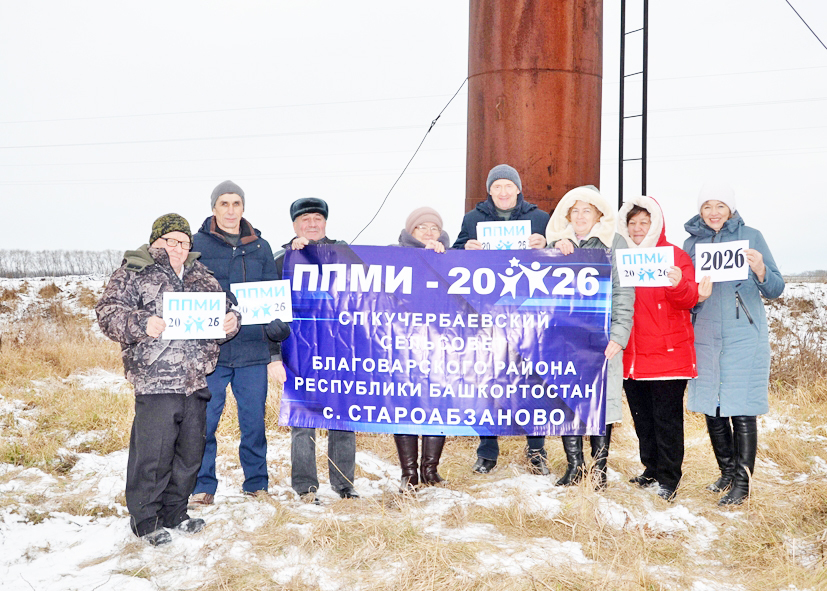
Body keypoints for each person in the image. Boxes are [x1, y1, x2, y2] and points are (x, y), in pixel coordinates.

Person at [96, 214, 240, 545]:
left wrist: (232, 321)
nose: (178, 247)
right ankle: (146, 520)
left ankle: (176, 513)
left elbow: (227, 311)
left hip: (196, 380)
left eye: (185, 242)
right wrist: (141, 322)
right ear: (156, 241)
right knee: (154, 454)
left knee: (189, 453)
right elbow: (107, 312)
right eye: (171, 240)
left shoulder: (202, 275)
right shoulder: (134, 271)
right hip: (155, 380)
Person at [684, 182, 784, 505]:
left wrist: (760, 269)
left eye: (720, 206)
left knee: (742, 408)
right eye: (707, 206)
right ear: (700, 211)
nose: (713, 212)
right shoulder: (691, 244)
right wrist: (696, 297)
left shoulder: (751, 237)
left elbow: (775, 288)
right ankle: (727, 472)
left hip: (743, 336)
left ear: (730, 209)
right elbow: (685, 297)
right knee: (712, 407)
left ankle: (743, 482)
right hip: (705, 336)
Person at [190, 181, 289, 506]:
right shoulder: (196, 245)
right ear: (214, 208)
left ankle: (256, 484)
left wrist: (276, 329)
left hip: (252, 352)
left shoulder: (260, 246)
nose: (230, 210)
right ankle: (202, 486)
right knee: (205, 423)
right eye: (224, 203)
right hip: (211, 354)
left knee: (253, 424)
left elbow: (273, 293)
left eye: (236, 203)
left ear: (243, 208)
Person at [453, 164, 551, 475]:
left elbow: (563, 258)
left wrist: (546, 246)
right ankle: (487, 451)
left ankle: (536, 450)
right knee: (487, 378)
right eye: (497, 187)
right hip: (486, 314)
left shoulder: (540, 219)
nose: (503, 192)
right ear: (489, 191)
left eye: (509, 186)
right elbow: (452, 260)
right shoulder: (473, 219)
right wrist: (464, 248)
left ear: (518, 189)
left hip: (528, 314)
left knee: (532, 381)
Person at [546, 185, 634, 489]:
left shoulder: (615, 243)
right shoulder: (556, 243)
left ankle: (599, 470)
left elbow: (624, 292)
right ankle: (575, 466)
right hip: (565, 339)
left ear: (599, 215)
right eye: (575, 210)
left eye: (587, 210)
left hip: (602, 339)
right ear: (567, 214)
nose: (581, 216)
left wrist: (619, 335)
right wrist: (554, 249)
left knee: (602, 401)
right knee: (567, 399)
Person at [275, 197, 358, 502]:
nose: (312, 224)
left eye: (317, 219)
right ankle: (305, 487)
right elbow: (271, 305)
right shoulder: (281, 259)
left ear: (325, 222)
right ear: (294, 225)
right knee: (302, 422)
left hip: (341, 349)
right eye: (305, 219)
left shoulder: (344, 254)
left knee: (343, 420)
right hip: (300, 352)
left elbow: (373, 279)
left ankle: (344, 484)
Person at [617, 195, 699, 501]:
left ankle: (669, 478)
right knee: (643, 419)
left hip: (668, 355)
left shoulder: (674, 256)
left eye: (644, 222)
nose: (638, 228)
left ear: (656, 225)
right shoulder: (620, 256)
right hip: (632, 356)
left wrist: (678, 284)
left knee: (667, 421)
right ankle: (651, 469)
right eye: (633, 223)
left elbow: (690, 298)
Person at [393, 207, 451, 490]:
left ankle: (430, 469)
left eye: (434, 228)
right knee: (405, 405)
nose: (429, 233)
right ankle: (409, 472)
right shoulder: (394, 255)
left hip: (440, 345)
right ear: (411, 231)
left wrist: (440, 258)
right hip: (403, 345)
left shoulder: (451, 258)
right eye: (422, 227)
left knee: (437, 403)